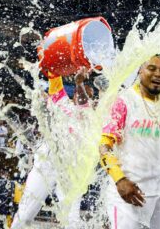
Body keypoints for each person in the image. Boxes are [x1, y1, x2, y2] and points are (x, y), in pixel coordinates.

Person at [99, 54, 160, 229]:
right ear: (140, 71)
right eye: (151, 68)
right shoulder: (124, 101)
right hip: (130, 194)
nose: (158, 74)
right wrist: (119, 180)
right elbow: (105, 145)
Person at [11, 68, 94, 229]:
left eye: (88, 95)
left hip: (70, 171)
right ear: (74, 95)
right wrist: (49, 55)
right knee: (25, 215)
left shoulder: (90, 116)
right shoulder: (62, 103)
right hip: (46, 163)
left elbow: (84, 102)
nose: (84, 96)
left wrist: (79, 83)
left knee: (72, 222)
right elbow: (54, 79)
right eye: (80, 92)